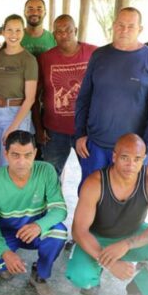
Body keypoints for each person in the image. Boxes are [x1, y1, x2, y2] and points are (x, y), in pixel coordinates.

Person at [66, 134, 148, 295]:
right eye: (125, 158)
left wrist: (127, 244)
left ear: (143, 159)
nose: (131, 165)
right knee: (81, 277)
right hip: (98, 238)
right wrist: (110, 262)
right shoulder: (95, 183)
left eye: (137, 159)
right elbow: (79, 231)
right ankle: (95, 272)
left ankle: (138, 292)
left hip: (131, 236)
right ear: (114, 157)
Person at [74, 7, 148, 188]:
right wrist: (80, 134)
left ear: (140, 29)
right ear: (114, 26)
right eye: (120, 25)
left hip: (131, 151)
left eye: (131, 26)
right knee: (90, 194)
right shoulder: (99, 55)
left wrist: (146, 147)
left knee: (125, 199)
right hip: (96, 144)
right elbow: (84, 97)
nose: (124, 30)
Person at [0, 131, 68, 295]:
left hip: (34, 231)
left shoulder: (46, 171)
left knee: (59, 233)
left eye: (28, 155)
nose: (22, 162)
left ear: (35, 153)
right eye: (15, 155)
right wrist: (5, 252)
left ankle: (39, 274)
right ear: (6, 155)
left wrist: (39, 225)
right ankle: (6, 263)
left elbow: (60, 209)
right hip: (7, 233)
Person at [37, 14, 97, 177]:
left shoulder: (94, 53)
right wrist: (38, 126)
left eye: (68, 30)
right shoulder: (45, 58)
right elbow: (36, 95)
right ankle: (53, 204)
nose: (64, 34)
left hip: (86, 130)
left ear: (75, 30)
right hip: (55, 131)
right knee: (50, 176)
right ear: (53, 34)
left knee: (92, 175)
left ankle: (88, 203)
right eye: (59, 31)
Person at [0, 15, 38, 174]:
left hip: (16, 113)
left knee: (9, 163)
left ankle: (9, 198)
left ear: (23, 32)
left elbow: (30, 98)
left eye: (18, 30)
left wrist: (13, 127)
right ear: (3, 32)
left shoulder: (28, 60)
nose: (14, 34)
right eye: (10, 30)